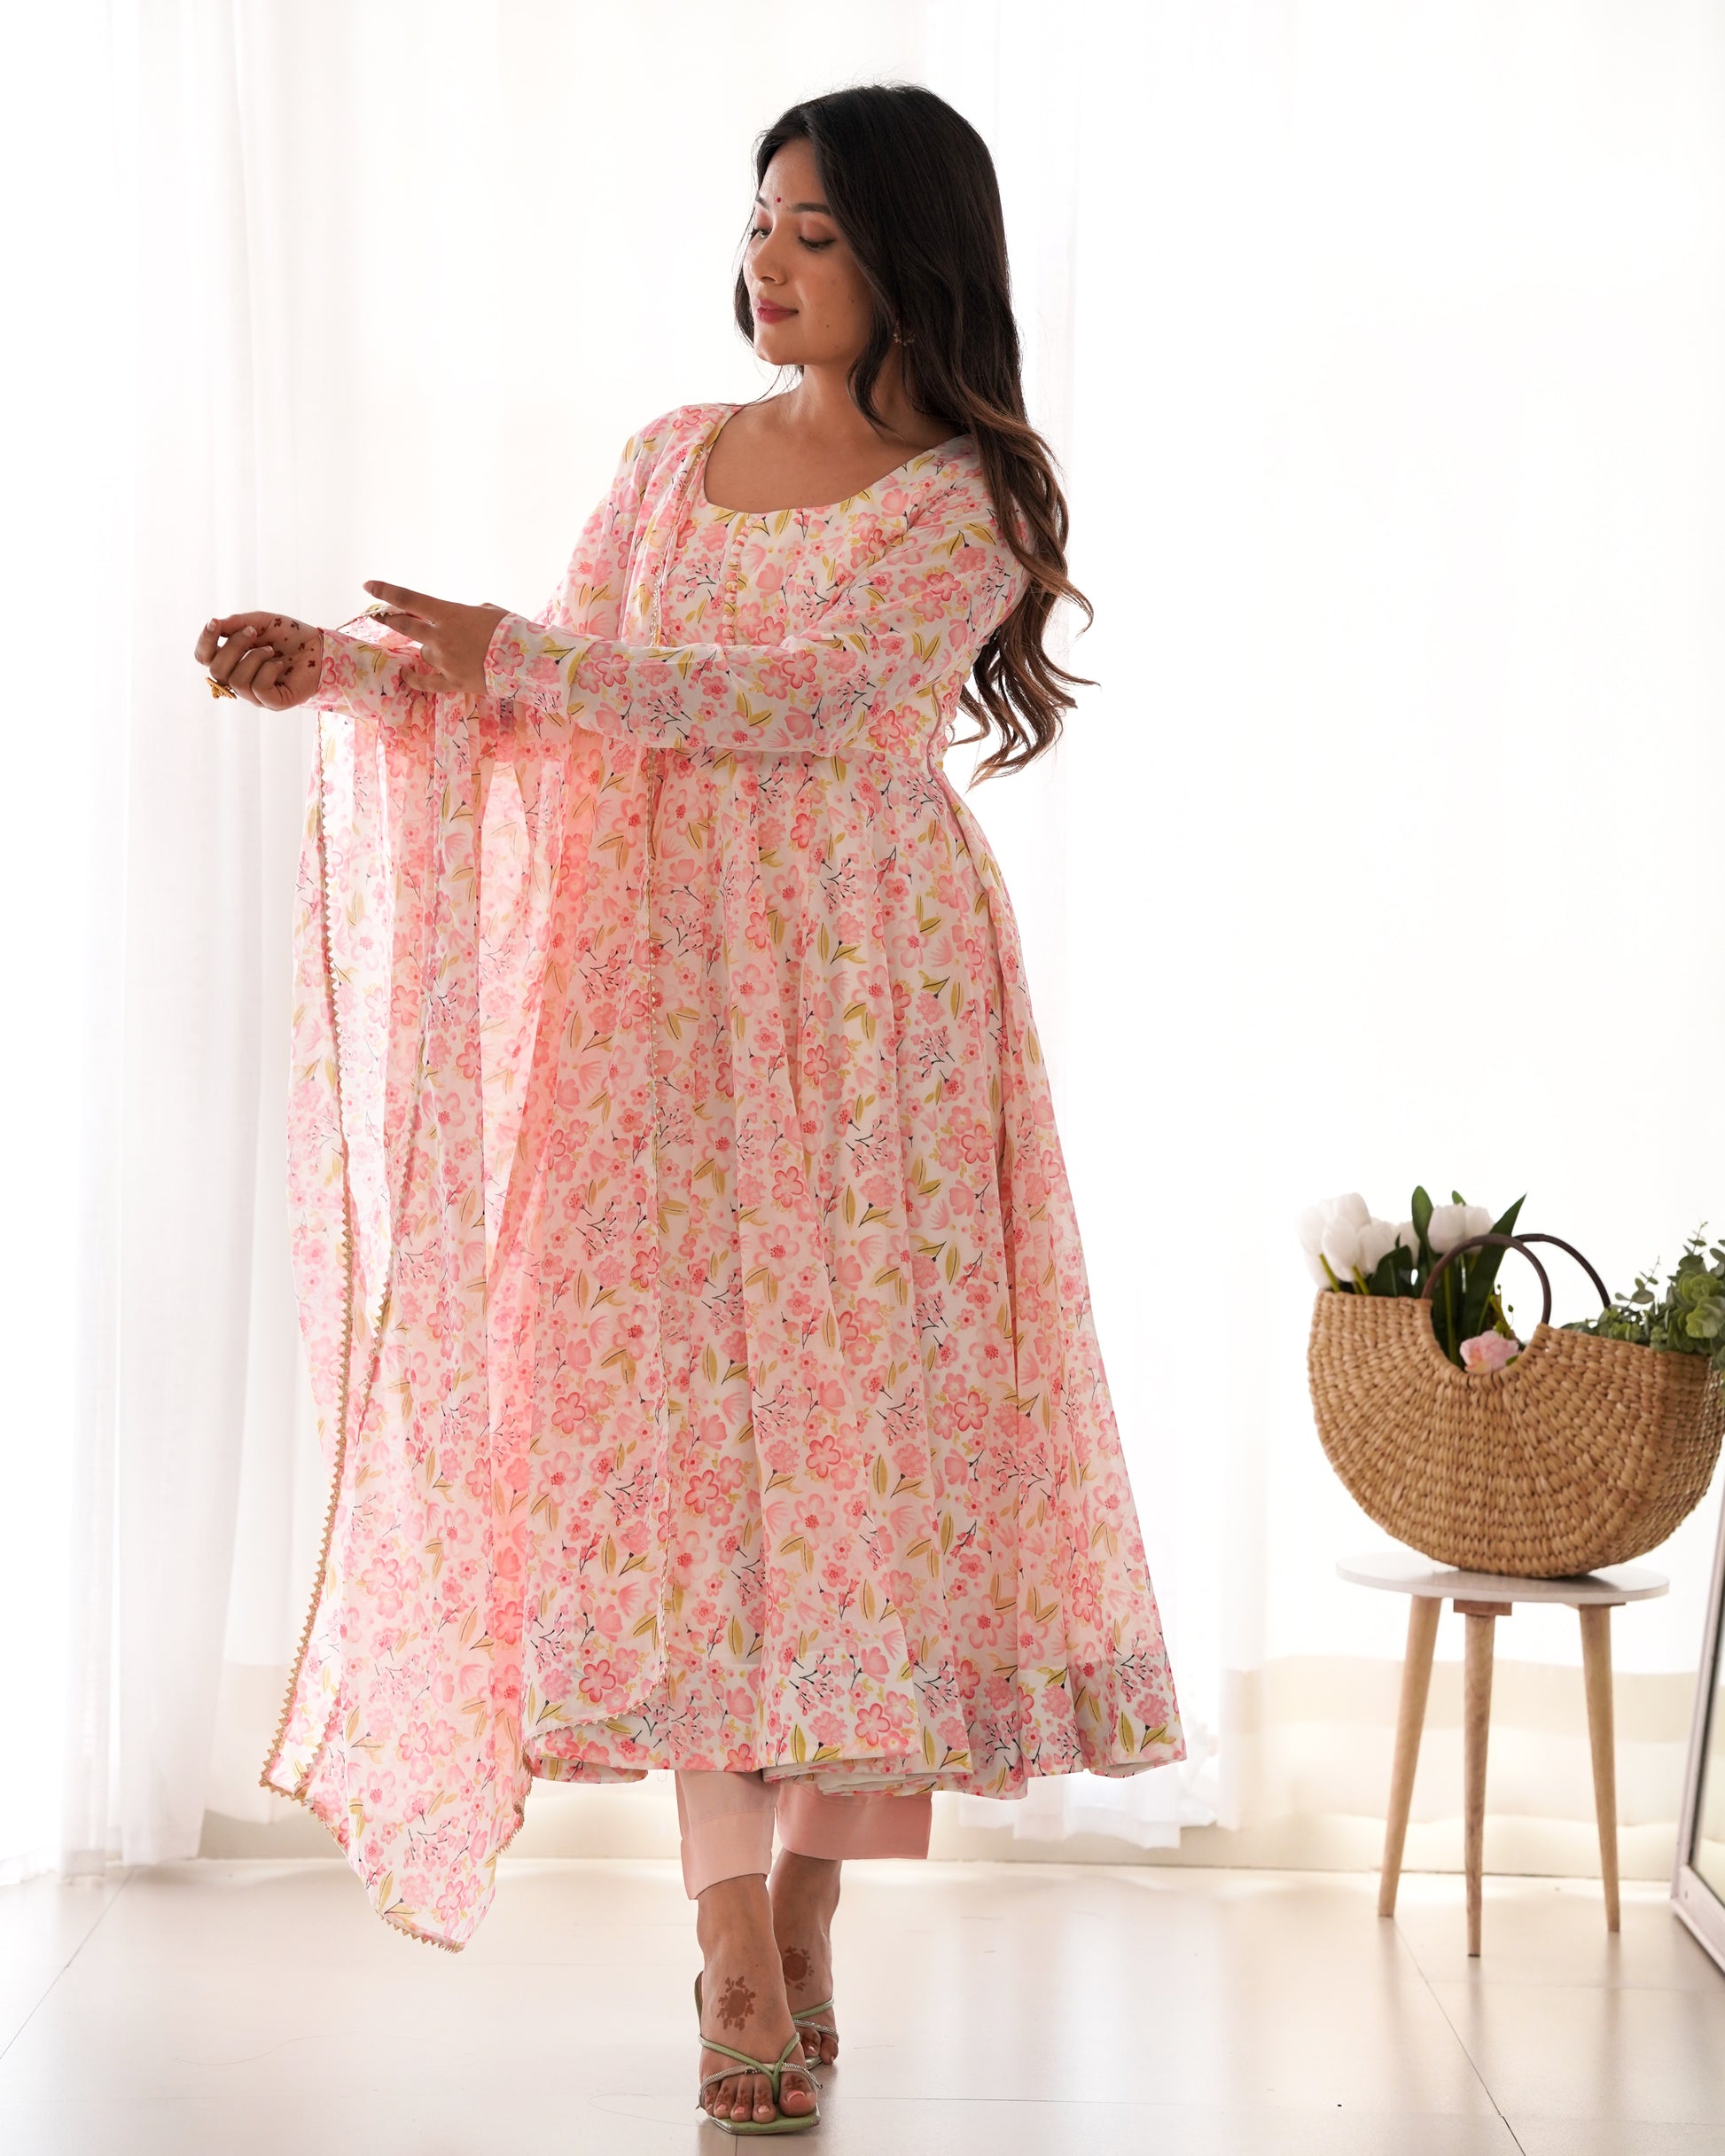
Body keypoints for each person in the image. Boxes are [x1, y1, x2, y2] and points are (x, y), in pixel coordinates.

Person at [193, 82, 1184, 2138]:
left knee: (861, 1462)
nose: (768, 263)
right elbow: (540, 686)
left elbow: (809, 705)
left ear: (911, 252)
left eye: (814, 233)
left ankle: (805, 1908)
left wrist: (527, 659)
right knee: (684, 1471)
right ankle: (728, 1936)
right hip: (653, 1014)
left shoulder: (969, 501)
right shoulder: (666, 459)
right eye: (758, 223)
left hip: (871, 1016)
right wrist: (342, 675)